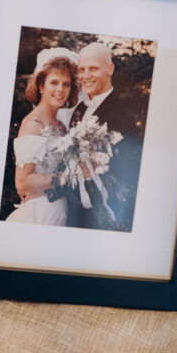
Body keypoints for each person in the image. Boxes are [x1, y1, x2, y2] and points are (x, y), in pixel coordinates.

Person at [66, 42, 141, 230]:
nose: (85, 76)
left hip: (101, 216)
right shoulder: (80, 109)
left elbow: (130, 172)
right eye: (81, 69)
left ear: (110, 69)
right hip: (72, 209)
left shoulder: (124, 116)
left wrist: (96, 166)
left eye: (93, 69)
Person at [6, 48, 79, 225]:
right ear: (41, 86)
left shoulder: (61, 126)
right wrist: (64, 178)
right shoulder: (33, 124)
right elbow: (22, 182)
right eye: (54, 82)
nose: (60, 89)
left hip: (59, 209)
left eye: (66, 84)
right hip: (39, 212)